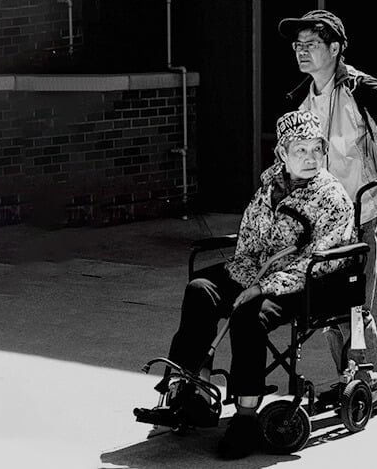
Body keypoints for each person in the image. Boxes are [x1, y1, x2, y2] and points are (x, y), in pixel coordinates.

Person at [144, 110, 356, 460]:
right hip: (258, 270)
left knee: (247, 316)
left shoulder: (331, 197)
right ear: (283, 154)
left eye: (316, 149)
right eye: (299, 150)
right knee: (201, 289)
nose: (310, 157)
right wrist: (244, 275)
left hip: (303, 285)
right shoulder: (269, 189)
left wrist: (263, 287)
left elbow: (325, 258)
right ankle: (193, 388)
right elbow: (249, 243)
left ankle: (244, 420)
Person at [278, 10, 377, 406]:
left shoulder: (361, 89)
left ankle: (373, 380)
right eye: (298, 46)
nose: (302, 52)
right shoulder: (301, 100)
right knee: (326, 307)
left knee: (353, 306)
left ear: (335, 48)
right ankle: (352, 381)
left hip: (359, 213)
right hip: (318, 220)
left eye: (311, 44)